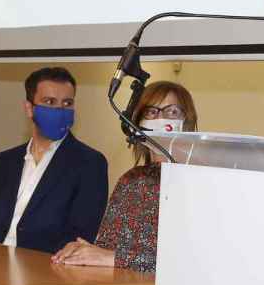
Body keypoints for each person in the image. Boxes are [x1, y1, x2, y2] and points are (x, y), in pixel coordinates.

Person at [52, 81, 197, 273]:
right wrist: (82, 250)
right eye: (151, 112)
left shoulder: (199, 182)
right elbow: (106, 246)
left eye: (172, 111)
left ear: (187, 121)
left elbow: (192, 261)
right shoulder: (131, 179)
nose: (160, 118)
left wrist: (114, 258)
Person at [0, 67, 108, 253]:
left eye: (67, 103)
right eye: (50, 102)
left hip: (46, 267)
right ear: (29, 108)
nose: (60, 110)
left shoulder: (90, 163)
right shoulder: (5, 162)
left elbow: (79, 236)